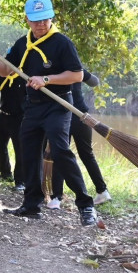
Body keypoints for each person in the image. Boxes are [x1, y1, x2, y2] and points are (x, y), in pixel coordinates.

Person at [0, 0, 98, 226]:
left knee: (60, 150)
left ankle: (85, 205)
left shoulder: (62, 43)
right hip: (32, 106)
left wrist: (46, 79)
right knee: (29, 152)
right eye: (35, 20)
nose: (41, 24)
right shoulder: (22, 44)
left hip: (58, 105)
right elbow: (6, 71)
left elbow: (77, 75)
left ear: (51, 17)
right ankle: (31, 205)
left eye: (45, 19)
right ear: (27, 20)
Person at [48, 70, 111, 208]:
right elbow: (94, 81)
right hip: (81, 116)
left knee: (60, 154)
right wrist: (81, 73)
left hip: (65, 116)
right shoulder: (74, 68)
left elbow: (94, 82)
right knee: (86, 154)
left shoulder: (54, 70)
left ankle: (56, 198)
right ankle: (102, 191)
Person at [0, 74, 26, 192]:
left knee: (20, 149)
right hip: (3, 114)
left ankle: (20, 181)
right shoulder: (3, 74)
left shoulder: (25, 75)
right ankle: (5, 174)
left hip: (20, 117)